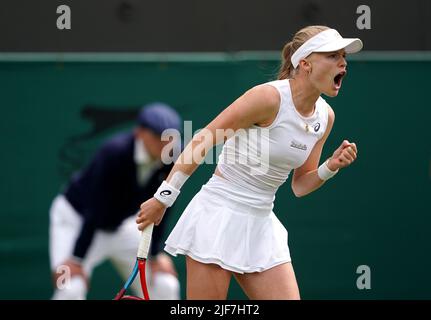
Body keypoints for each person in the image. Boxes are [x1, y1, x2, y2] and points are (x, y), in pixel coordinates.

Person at [136, 26, 363, 299]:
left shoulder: (325, 117)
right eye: (333, 55)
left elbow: (300, 185)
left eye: (344, 56)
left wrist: (331, 167)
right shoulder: (268, 98)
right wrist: (164, 197)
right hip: (218, 216)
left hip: (262, 224)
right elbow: (204, 140)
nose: (343, 63)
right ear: (305, 64)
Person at [49, 102, 182, 300]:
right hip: (75, 221)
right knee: (69, 287)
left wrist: (155, 254)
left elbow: (164, 205)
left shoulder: (172, 157)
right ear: (140, 133)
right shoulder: (113, 153)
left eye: (170, 138)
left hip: (122, 226)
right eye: (158, 137)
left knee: (165, 284)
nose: (166, 145)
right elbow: (94, 208)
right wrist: (76, 259)